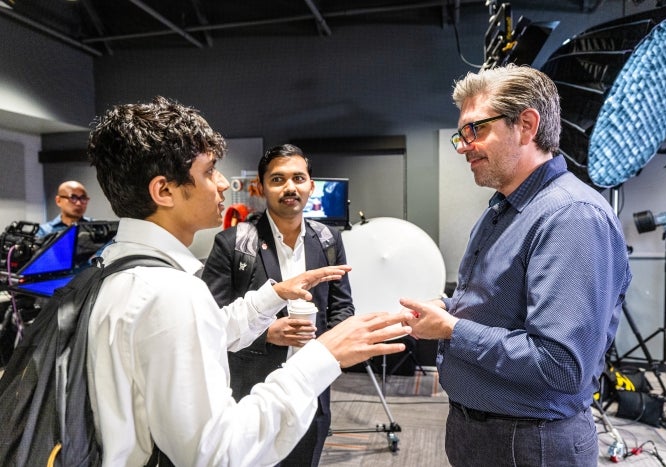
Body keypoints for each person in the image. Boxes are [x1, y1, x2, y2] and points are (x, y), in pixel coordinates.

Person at [84, 96, 411, 466]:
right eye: (209, 171)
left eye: (299, 178)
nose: (223, 183)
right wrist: (322, 356)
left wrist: (270, 297)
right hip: (254, 389)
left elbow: (207, 331)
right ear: (163, 191)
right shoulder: (174, 291)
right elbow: (218, 453)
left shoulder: (112, 267)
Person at [400, 64, 632, 466]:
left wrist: (452, 329)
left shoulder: (570, 217)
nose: (462, 145)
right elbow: (498, 307)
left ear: (526, 125)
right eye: (462, 133)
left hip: (530, 442)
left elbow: (560, 365)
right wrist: (448, 309)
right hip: (482, 431)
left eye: (476, 130)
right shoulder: (504, 208)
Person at [202, 144, 353, 467]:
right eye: (278, 179)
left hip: (312, 387)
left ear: (311, 185)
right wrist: (267, 332)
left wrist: (330, 347)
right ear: (261, 187)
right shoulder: (233, 244)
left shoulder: (328, 239)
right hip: (251, 391)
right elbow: (210, 323)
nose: (290, 188)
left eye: (298, 178)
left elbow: (342, 307)